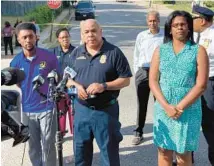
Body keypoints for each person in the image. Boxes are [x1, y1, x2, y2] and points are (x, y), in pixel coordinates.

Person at [66, 19, 132, 166]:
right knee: (81, 152)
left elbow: (126, 80)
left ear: (100, 32)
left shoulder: (114, 52)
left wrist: (104, 86)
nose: (90, 35)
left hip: (106, 111)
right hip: (82, 111)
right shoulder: (76, 53)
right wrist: (75, 87)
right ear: (81, 35)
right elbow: (67, 80)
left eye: (94, 31)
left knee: (109, 154)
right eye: (86, 32)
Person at [149, 10, 209, 166]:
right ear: (170, 29)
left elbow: (201, 84)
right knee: (163, 151)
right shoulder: (160, 50)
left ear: (189, 27)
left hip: (188, 109)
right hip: (163, 108)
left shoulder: (198, 51)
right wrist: (166, 106)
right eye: (175, 25)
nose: (179, 28)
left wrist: (179, 107)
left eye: (183, 24)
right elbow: (153, 81)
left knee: (183, 153)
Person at [10, 23, 59, 166]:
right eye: (24, 37)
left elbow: (58, 78)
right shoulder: (16, 62)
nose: (28, 40)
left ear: (36, 37)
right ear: (18, 39)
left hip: (47, 108)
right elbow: (18, 83)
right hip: (27, 109)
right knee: (33, 147)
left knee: (48, 145)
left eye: (30, 36)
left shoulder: (49, 57)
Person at [132, 10, 164, 145]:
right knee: (142, 104)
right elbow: (136, 54)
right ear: (147, 22)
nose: (152, 23)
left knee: (160, 104)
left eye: (155, 20)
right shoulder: (141, 36)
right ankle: (139, 132)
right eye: (150, 21)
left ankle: (161, 132)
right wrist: (137, 72)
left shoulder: (165, 36)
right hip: (143, 72)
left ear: (159, 21)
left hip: (159, 73)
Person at [193, 5, 214, 166]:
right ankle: (186, 160)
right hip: (194, 83)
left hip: (209, 85)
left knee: (209, 122)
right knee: (191, 121)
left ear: (202, 20)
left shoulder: (212, 36)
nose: (192, 21)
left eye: (194, 18)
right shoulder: (196, 35)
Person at [49, 27, 75, 137]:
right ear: (58, 39)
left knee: (73, 111)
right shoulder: (53, 52)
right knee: (60, 112)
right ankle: (60, 133)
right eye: (62, 37)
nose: (65, 39)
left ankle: (76, 133)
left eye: (67, 37)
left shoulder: (76, 51)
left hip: (72, 88)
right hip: (58, 88)